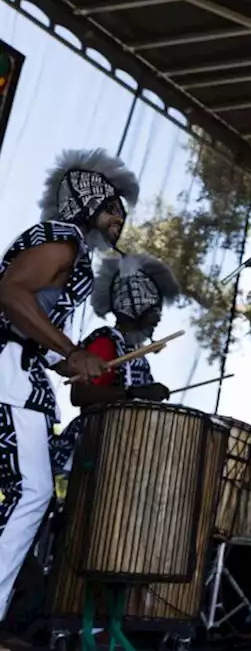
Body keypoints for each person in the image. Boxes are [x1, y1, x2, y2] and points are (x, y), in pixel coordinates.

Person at [0, 148, 133, 625]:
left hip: (21, 371)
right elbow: (12, 293)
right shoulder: (62, 244)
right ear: (89, 204)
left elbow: (29, 315)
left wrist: (67, 359)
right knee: (32, 491)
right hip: (8, 375)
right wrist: (71, 351)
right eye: (114, 208)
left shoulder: (68, 249)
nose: (120, 218)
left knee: (28, 492)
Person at [68, 253, 178, 408]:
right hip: (98, 430)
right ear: (135, 307)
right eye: (153, 311)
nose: (158, 319)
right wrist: (131, 393)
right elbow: (79, 394)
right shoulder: (105, 341)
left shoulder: (136, 352)